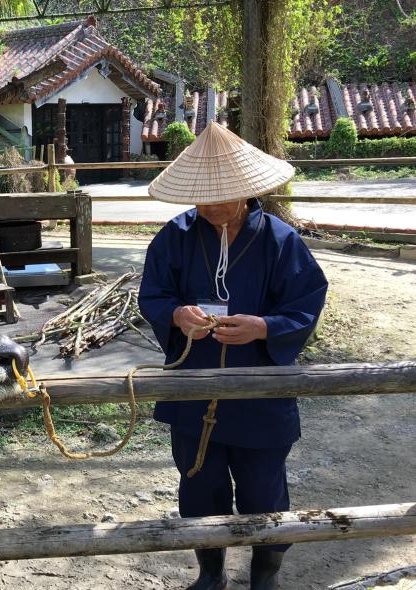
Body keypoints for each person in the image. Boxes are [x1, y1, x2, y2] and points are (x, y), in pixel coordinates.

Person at [138, 122, 328, 590]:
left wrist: (264, 327)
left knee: (264, 488)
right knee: (200, 483)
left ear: (246, 191)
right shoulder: (175, 237)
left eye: (222, 196)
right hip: (193, 386)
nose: (211, 207)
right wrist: (177, 315)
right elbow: (153, 296)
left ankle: (266, 575)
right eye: (202, 198)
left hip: (261, 389)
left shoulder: (281, 241)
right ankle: (211, 573)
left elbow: (306, 302)